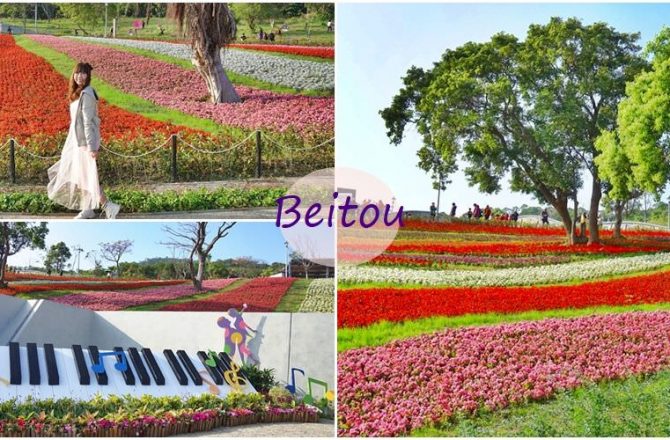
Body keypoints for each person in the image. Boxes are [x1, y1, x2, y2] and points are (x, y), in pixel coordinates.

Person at [47, 62, 121, 219]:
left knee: (87, 176)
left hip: (84, 143)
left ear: (88, 76)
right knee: (81, 176)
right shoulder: (78, 94)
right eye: (77, 73)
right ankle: (88, 208)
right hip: (76, 141)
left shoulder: (87, 94)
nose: (80, 76)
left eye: (83, 73)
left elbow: (88, 122)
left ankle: (108, 206)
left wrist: (91, 146)